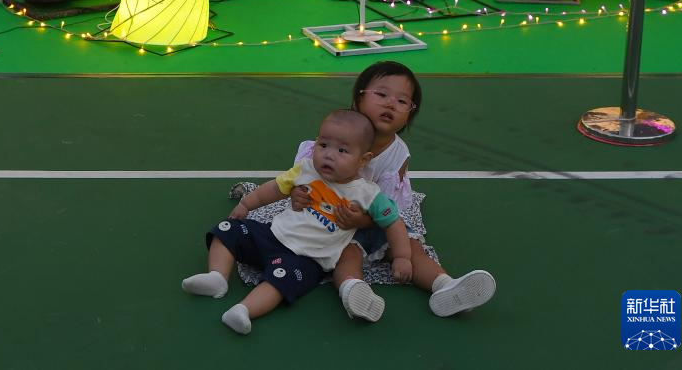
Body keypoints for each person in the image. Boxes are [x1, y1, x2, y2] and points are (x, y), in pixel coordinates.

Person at [291, 60, 496, 322]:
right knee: (347, 254)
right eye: (381, 95)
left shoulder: (398, 154)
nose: (390, 104)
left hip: (376, 218)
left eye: (402, 101)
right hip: (330, 217)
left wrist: (372, 228)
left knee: (411, 247)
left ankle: (445, 285)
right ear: (358, 99)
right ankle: (353, 289)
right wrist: (299, 193)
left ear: (410, 113)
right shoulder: (338, 134)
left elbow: (389, 209)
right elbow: (306, 175)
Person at [182, 108, 412, 335]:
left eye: (342, 150)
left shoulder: (369, 194)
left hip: (307, 259)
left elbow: (393, 222)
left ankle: (243, 310)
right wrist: (245, 205)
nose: (329, 155)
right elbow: (274, 189)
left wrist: (402, 256)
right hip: (273, 235)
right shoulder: (306, 169)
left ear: (363, 159)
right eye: (323, 145)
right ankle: (217, 277)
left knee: (280, 279)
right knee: (228, 229)